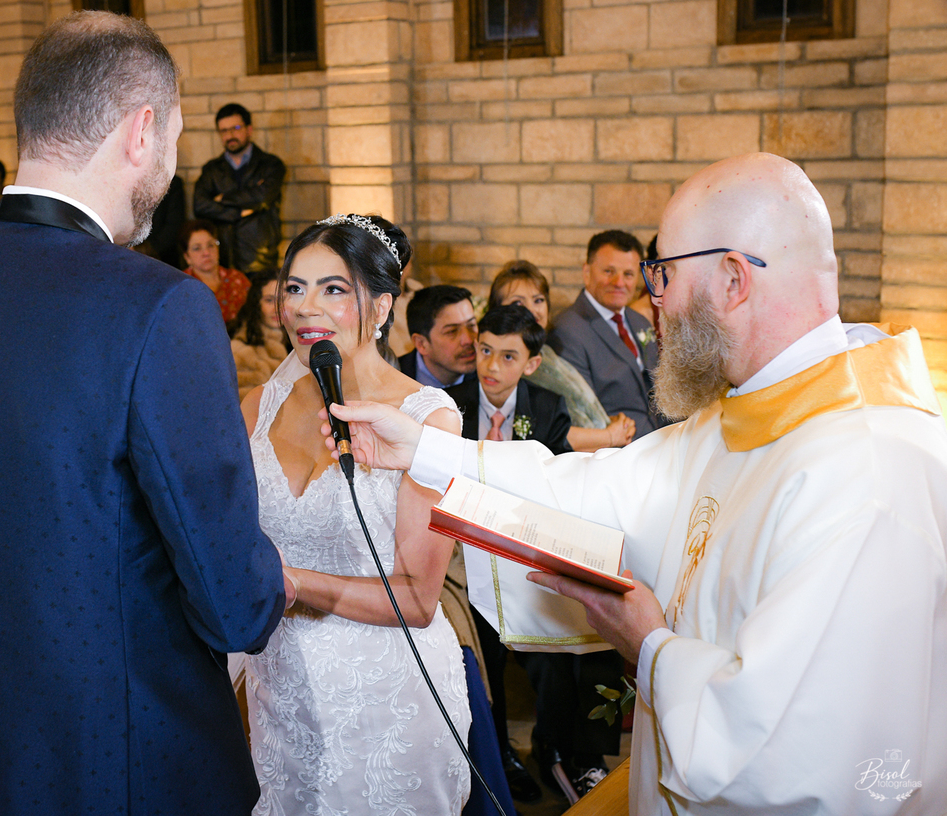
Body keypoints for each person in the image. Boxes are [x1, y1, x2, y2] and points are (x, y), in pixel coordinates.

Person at [322, 153, 947, 816]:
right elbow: (595, 488)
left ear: (734, 278)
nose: (656, 301)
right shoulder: (750, 416)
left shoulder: (867, 470)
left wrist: (649, 646)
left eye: (664, 272)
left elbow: (797, 754)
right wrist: (426, 449)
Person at [0, 11, 287, 816]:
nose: (170, 161)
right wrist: (289, 580)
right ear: (141, 130)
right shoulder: (158, 306)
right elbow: (235, 600)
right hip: (121, 760)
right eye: (176, 135)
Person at [242, 213, 471, 815]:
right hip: (282, 692)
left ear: (382, 307)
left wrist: (293, 584)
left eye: (333, 288)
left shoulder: (429, 419)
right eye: (294, 287)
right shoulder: (257, 407)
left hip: (387, 698)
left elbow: (419, 601)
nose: (305, 307)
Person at [444, 303, 572, 805]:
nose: (492, 367)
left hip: (523, 548)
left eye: (508, 357)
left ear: (531, 364)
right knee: (484, 653)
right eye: (485, 351)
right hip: (462, 550)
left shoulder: (546, 408)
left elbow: (554, 484)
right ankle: (499, 755)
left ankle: (555, 749)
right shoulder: (448, 404)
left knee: (557, 652)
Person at [488, 260, 634, 451]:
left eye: (538, 300)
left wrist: (610, 422)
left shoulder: (546, 352)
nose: (532, 310)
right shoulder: (503, 365)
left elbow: (572, 408)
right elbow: (543, 433)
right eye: (518, 302)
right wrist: (610, 435)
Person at [549, 230, 662, 438]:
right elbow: (583, 412)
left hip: (663, 441)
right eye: (609, 271)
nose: (619, 283)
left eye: (628, 274)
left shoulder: (638, 321)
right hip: (616, 452)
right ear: (587, 272)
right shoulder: (567, 329)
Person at [193, 103, 286, 272]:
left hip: (259, 259)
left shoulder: (271, 165)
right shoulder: (212, 169)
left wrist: (223, 199)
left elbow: (263, 197)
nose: (230, 135)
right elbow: (200, 205)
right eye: (224, 130)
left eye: (236, 128)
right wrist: (237, 212)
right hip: (222, 260)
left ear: (249, 129)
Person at [397, 284, 478, 388]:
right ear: (422, 344)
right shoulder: (392, 377)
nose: (468, 340)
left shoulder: (489, 377)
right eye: (452, 331)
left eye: (471, 325)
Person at [180, 219, 251, 326]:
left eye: (211, 245)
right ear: (187, 257)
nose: (206, 253)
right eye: (197, 248)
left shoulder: (237, 278)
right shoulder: (181, 286)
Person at [230, 269, 288, 398]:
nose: (277, 308)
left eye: (283, 299)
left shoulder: (297, 343)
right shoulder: (241, 351)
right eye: (269, 300)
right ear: (256, 304)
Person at [137, 174, 185, 265]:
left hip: (163, 257)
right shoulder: (125, 179)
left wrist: (148, 251)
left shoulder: (172, 182)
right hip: (129, 252)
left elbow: (173, 225)